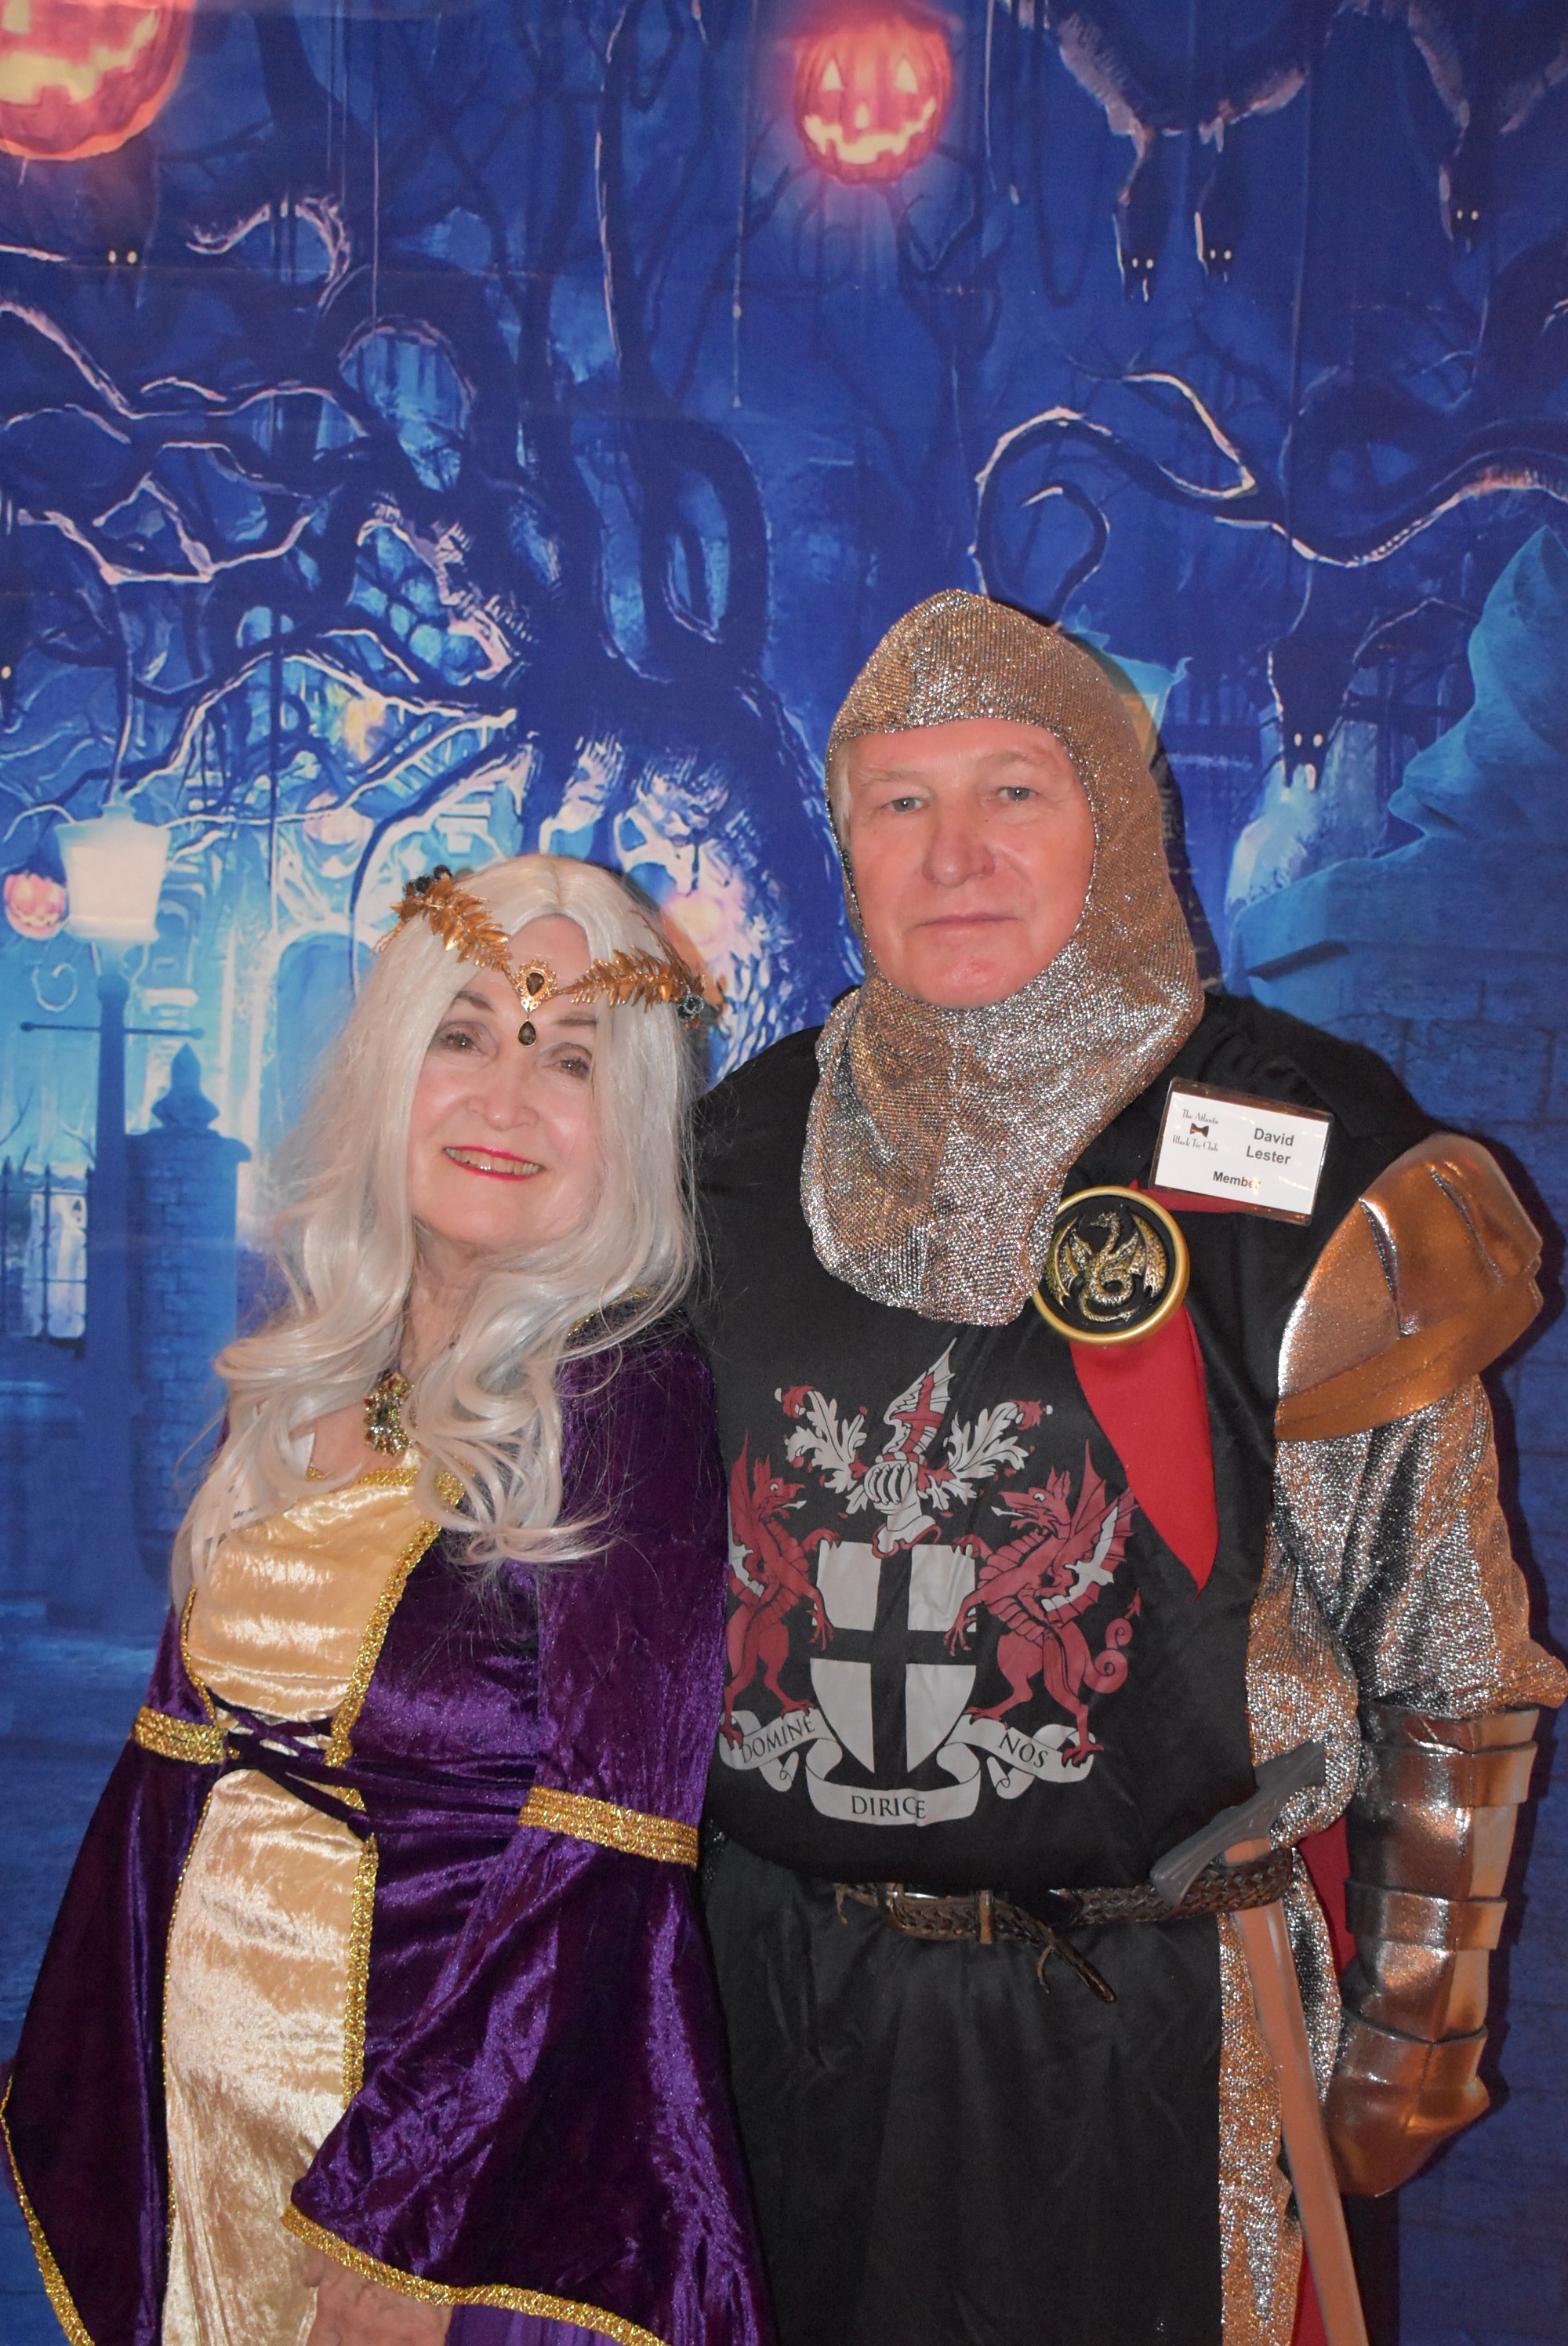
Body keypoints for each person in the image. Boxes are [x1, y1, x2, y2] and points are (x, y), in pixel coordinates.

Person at [692, 591, 1566, 2346]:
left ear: (1115, 814)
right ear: (846, 845)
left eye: (1012, 790)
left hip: (1167, 2030)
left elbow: (1449, 1650)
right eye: (900, 801)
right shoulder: (723, 1154)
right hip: (779, 2010)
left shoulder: (1304, 1163)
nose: (953, 852)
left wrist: (1419, 2012)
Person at [2, 855, 775, 2346]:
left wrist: (418, 2220)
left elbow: (609, 1839)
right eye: (463, 1034)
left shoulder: (623, 1396)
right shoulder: (310, 1371)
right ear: (389, 1065)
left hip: (430, 2164)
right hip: (217, 2126)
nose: (506, 1099)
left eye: (569, 1060)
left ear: (626, 1119)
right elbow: (168, 1770)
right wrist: (106, 2101)